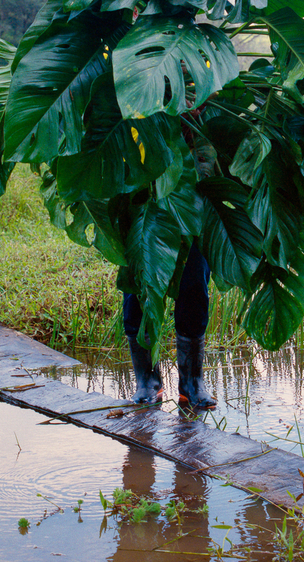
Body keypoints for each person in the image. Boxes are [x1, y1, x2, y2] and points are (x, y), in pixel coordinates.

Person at [122, 120, 218, 410]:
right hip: (143, 189)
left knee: (193, 287)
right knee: (139, 287)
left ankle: (191, 382)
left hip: (194, 194)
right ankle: (147, 380)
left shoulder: (203, 82)